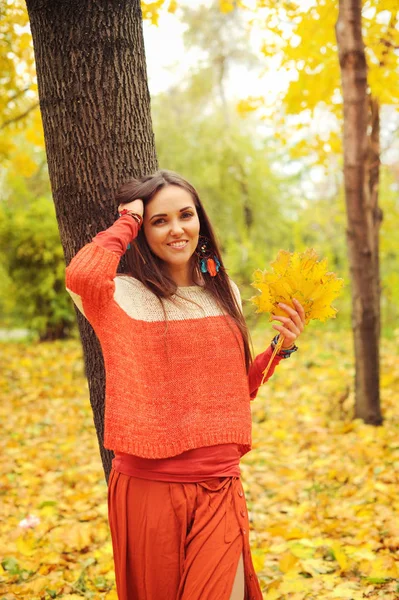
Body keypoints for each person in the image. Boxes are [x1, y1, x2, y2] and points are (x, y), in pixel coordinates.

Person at [65, 170, 306, 600]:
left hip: (220, 484)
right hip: (149, 490)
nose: (177, 229)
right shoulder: (116, 295)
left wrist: (281, 346)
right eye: (159, 220)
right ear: (143, 231)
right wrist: (127, 221)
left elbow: (237, 389)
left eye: (186, 215)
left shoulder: (222, 292)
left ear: (201, 222)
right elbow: (81, 276)